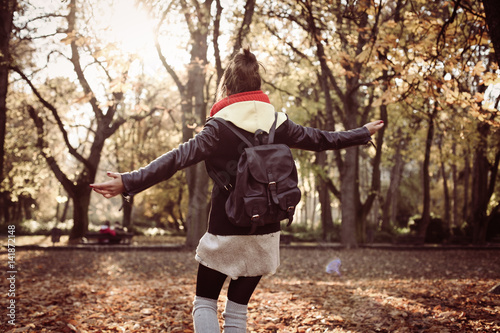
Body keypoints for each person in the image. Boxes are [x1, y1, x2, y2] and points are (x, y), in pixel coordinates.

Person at [90, 47, 384, 332]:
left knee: (205, 302)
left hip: (225, 230)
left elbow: (176, 159)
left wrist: (128, 181)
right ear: (258, 84)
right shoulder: (278, 123)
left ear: (227, 87)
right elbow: (322, 139)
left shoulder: (218, 128)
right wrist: (361, 133)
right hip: (266, 231)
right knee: (238, 308)